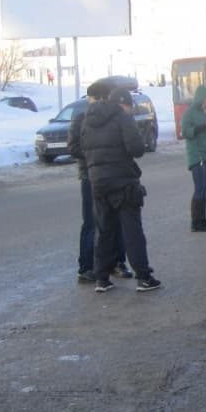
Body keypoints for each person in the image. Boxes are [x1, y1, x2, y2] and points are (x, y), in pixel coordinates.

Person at [78, 84, 161, 292]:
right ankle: (143, 277)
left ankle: (101, 279)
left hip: (98, 182)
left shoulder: (88, 119)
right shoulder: (123, 118)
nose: (131, 111)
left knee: (105, 231)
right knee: (132, 230)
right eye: (130, 107)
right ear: (123, 103)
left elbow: (81, 148)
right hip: (123, 182)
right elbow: (136, 149)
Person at [69, 81, 133, 283]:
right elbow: (74, 148)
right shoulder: (81, 119)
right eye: (100, 98)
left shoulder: (116, 118)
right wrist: (97, 159)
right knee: (91, 223)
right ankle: (86, 267)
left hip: (113, 174)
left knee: (115, 221)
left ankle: (116, 262)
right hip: (90, 176)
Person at [181, 85, 206, 232]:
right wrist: (205, 125)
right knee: (199, 189)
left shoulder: (204, 113)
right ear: (201, 98)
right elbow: (185, 132)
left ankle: (202, 220)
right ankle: (195, 222)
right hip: (197, 155)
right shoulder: (189, 113)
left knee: (204, 189)